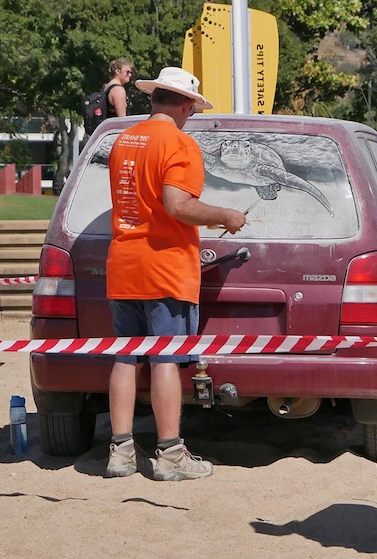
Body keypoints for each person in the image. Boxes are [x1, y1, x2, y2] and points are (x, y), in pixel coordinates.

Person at [104, 66, 246, 481]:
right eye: (192, 109)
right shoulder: (179, 144)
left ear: (155, 98)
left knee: (125, 357)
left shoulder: (122, 140)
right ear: (185, 104)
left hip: (124, 262)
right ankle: (169, 455)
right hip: (165, 266)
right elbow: (178, 205)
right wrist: (226, 215)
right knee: (165, 358)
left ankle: (120, 451)